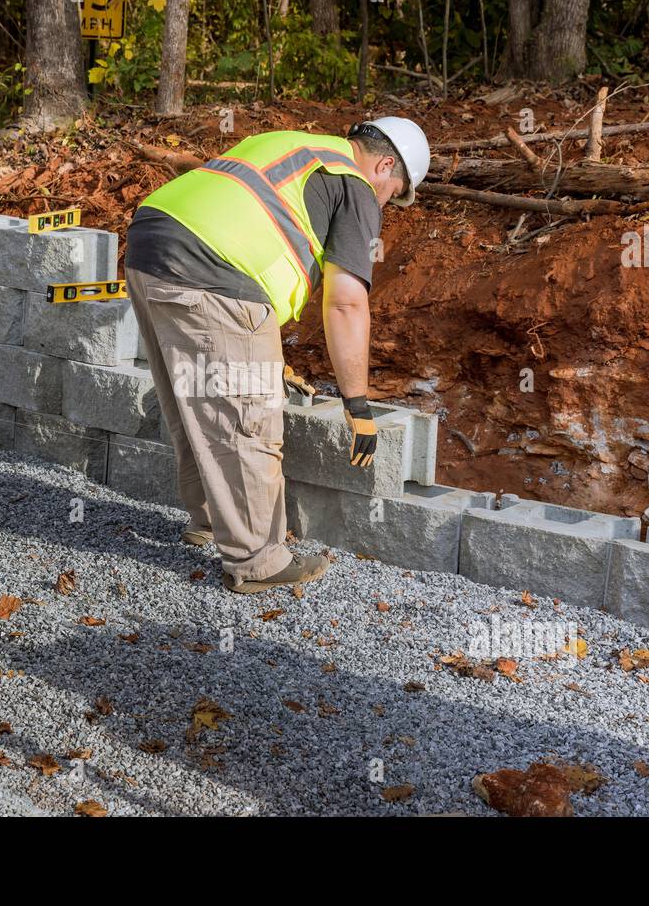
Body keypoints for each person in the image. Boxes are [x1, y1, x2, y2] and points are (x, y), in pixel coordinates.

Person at [124, 117, 430, 594]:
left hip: (150, 242)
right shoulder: (354, 184)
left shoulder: (296, 144)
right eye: (395, 191)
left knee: (197, 398)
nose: (387, 200)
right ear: (386, 164)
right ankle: (257, 559)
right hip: (215, 270)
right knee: (248, 420)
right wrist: (357, 404)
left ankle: (209, 521)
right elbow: (346, 301)